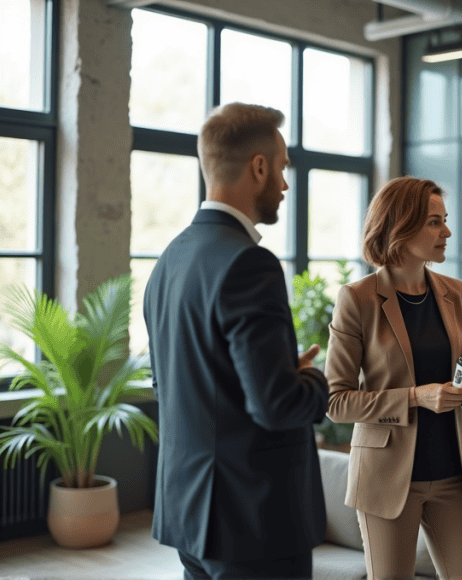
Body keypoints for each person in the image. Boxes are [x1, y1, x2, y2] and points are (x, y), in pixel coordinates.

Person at [143, 103, 329, 580]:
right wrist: (312, 380)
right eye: (283, 168)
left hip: (189, 511)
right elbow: (275, 405)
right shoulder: (250, 264)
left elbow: (178, 382)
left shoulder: (169, 260)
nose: (286, 185)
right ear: (259, 167)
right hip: (253, 521)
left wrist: (278, 369)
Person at [323, 177, 462, 580]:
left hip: (454, 473)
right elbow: (336, 403)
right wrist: (416, 397)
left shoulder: (457, 293)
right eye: (435, 222)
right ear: (400, 225)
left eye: (445, 220)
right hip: (387, 478)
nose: (447, 232)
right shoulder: (357, 299)